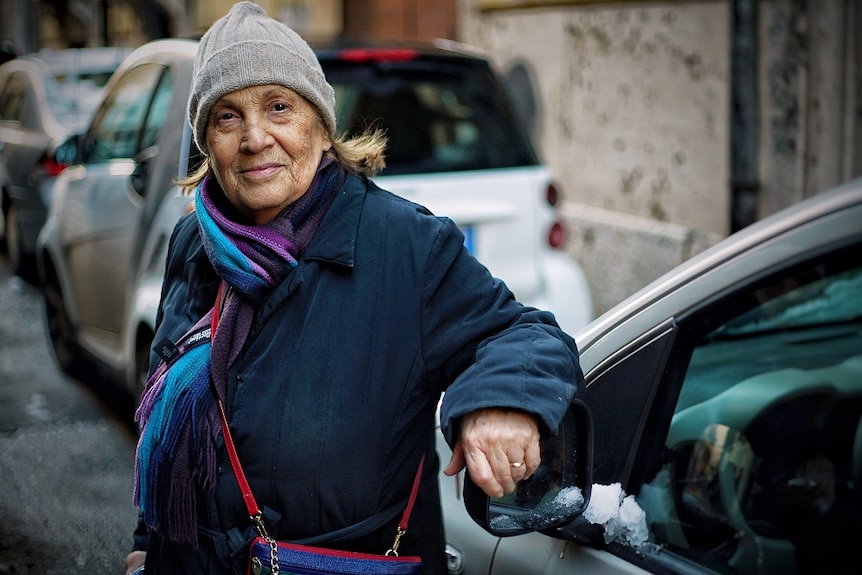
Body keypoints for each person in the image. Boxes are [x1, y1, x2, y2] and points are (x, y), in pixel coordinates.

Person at [125, 2, 583, 574]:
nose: (255, 136)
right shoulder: (195, 242)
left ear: (320, 125)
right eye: (226, 117)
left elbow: (524, 335)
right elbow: (167, 419)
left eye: (278, 107)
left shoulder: (405, 244)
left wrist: (499, 403)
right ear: (206, 142)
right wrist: (148, 545)